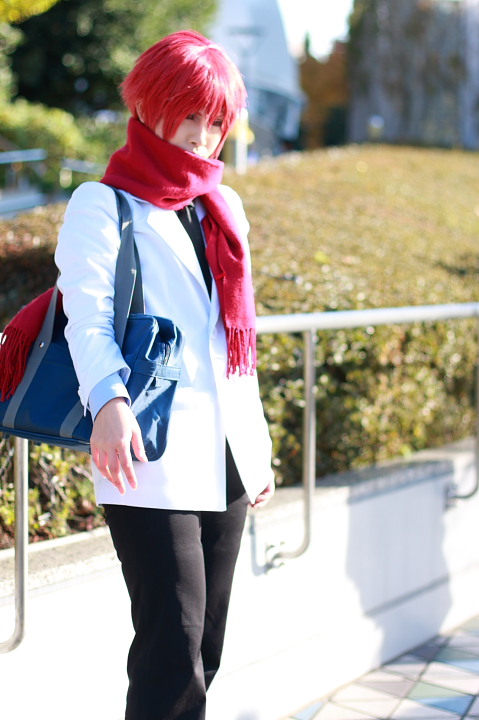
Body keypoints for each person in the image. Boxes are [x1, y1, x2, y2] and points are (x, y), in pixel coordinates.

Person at [54, 30, 274, 720]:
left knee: (206, 648)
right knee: (170, 653)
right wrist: (109, 402)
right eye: (189, 114)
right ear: (150, 104)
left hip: (227, 454)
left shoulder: (222, 207)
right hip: (148, 450)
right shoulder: (103, 203)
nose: (202, 134)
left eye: (216, 119)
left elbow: (235, 339)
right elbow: (86, 318)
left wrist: (257, 446)